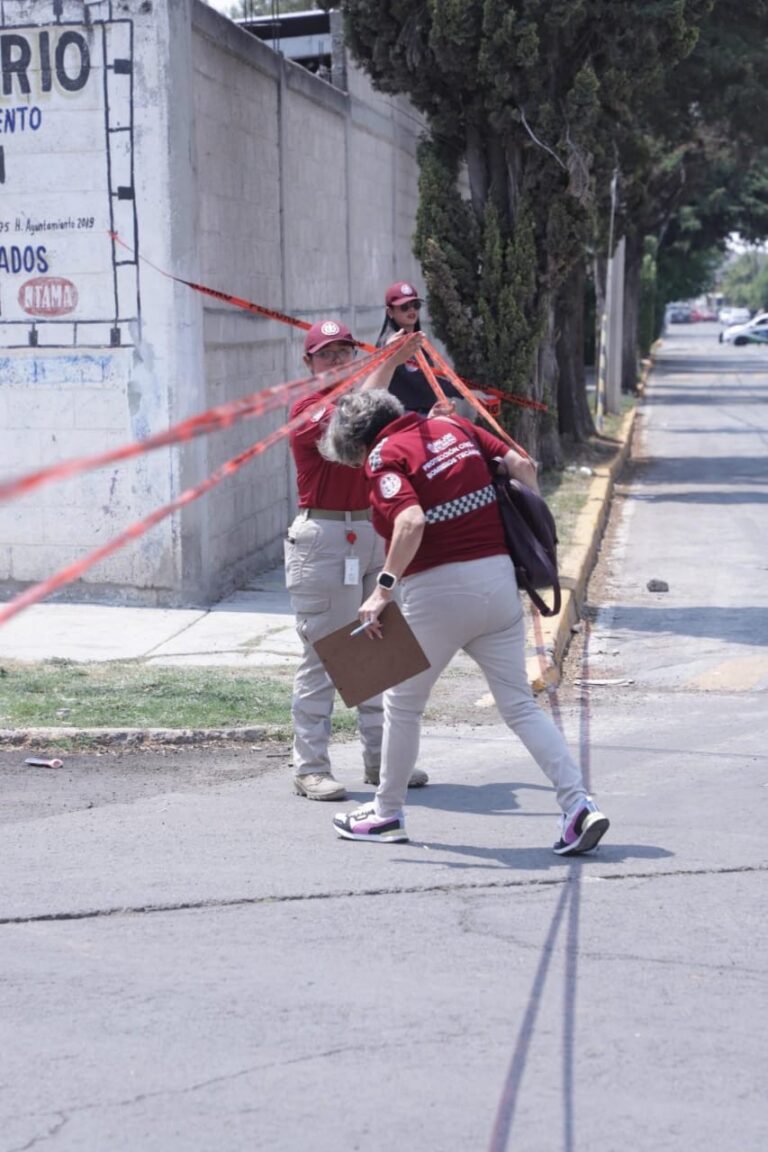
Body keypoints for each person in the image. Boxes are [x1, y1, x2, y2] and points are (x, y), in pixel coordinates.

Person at [319, 389, 610, 855]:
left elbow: (410, 522)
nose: (359, 464)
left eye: (353, 457)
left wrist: (383, 589)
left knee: (403, 705)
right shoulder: (455, 427)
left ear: (361, 442)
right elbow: (525, 468)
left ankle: (386, 812)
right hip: (497, 582)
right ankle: (578, 804)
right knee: (519, 706)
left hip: (436, 591)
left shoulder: (385, 455)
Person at [286, 319, 429, 801]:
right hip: (323, 535)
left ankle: (380, 763)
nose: (338, 361)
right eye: (326, 355)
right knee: (324, 654)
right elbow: (348, 423)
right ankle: (310, 768)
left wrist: (390, 363)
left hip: (368, 530)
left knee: (378, 650)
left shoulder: (360, 399)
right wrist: (386, 361)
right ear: (308, 364)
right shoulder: (306, 410)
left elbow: (375, 413)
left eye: (345, 352)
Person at [377, 281, 473, 418]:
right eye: (404, 307)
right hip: (406, 420)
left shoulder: (415, 339)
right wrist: (467, 392)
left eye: (415, 305)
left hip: (424, 415)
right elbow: (423, 380)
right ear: (390, 312)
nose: (412, 310)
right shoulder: (394, 343)